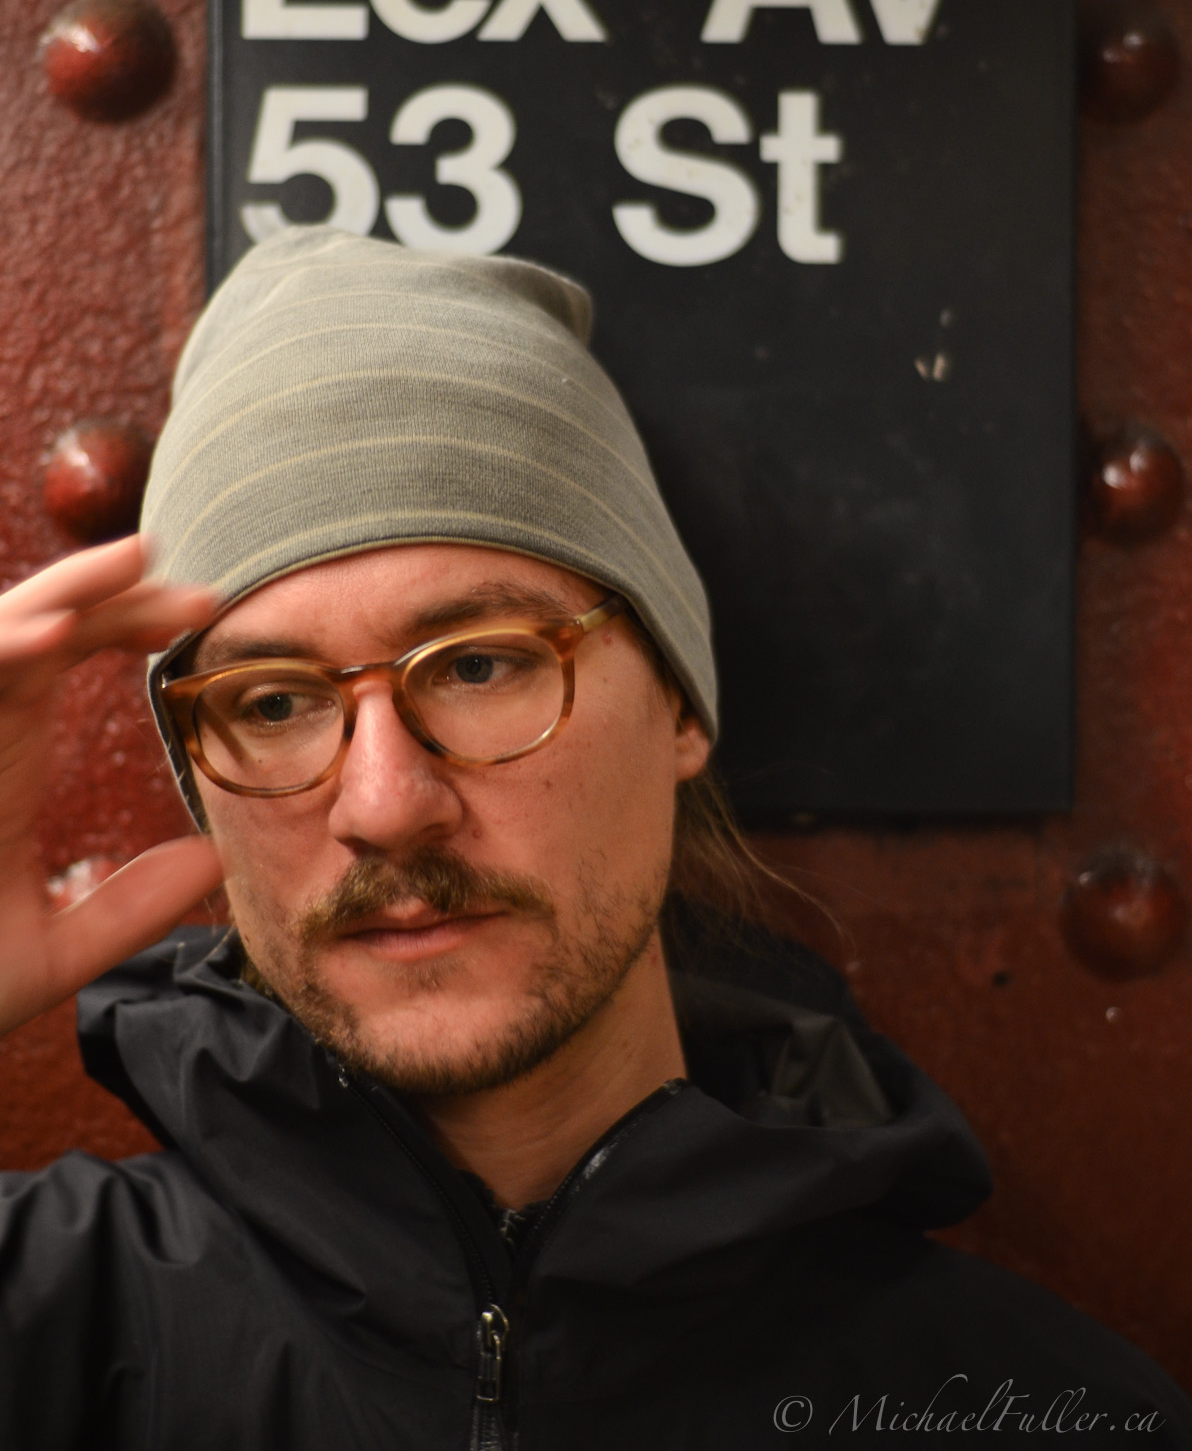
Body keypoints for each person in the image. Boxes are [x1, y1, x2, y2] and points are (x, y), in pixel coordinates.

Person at [0, 225, 1186, 1450]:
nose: (386, 806)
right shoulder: (42, 1334)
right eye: (272, 704)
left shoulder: (1035, 1412)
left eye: (478, 665)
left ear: (678, 702)